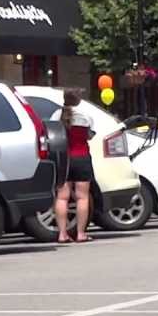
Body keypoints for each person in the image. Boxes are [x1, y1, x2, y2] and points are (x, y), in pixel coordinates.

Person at [52, 89, 94, 243]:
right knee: (82, 197)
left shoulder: (57, 115)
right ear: (78, 99)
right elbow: (90, 135)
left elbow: (51, 134)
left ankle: (62, 234)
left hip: (64, 159)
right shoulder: (85, 115)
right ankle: (81, 233)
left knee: (62, 197)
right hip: (81, 157)